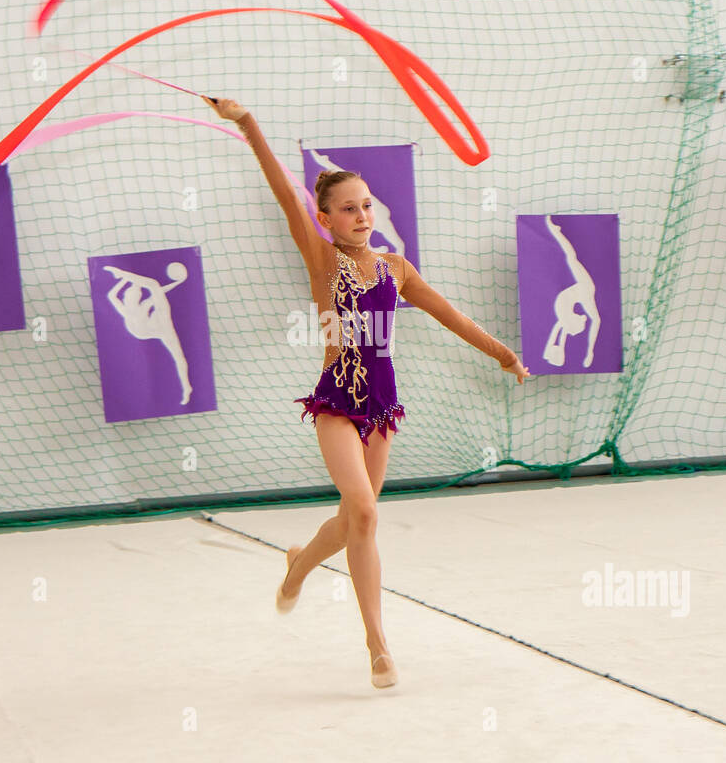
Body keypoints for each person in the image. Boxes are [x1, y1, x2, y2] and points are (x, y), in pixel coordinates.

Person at [203, 96, 529, 689]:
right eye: (347, 209)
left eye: (366, 206)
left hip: (381, 411)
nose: (360, 215)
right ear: (325, 218)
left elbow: (449, 315)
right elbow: (282, 191)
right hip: (337, 404)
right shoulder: (323, 260)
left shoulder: (396, 268)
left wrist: (502, 352)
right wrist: (250, 122)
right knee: (366, 509)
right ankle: (378, 647)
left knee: (357, 518)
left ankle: (299, 563)